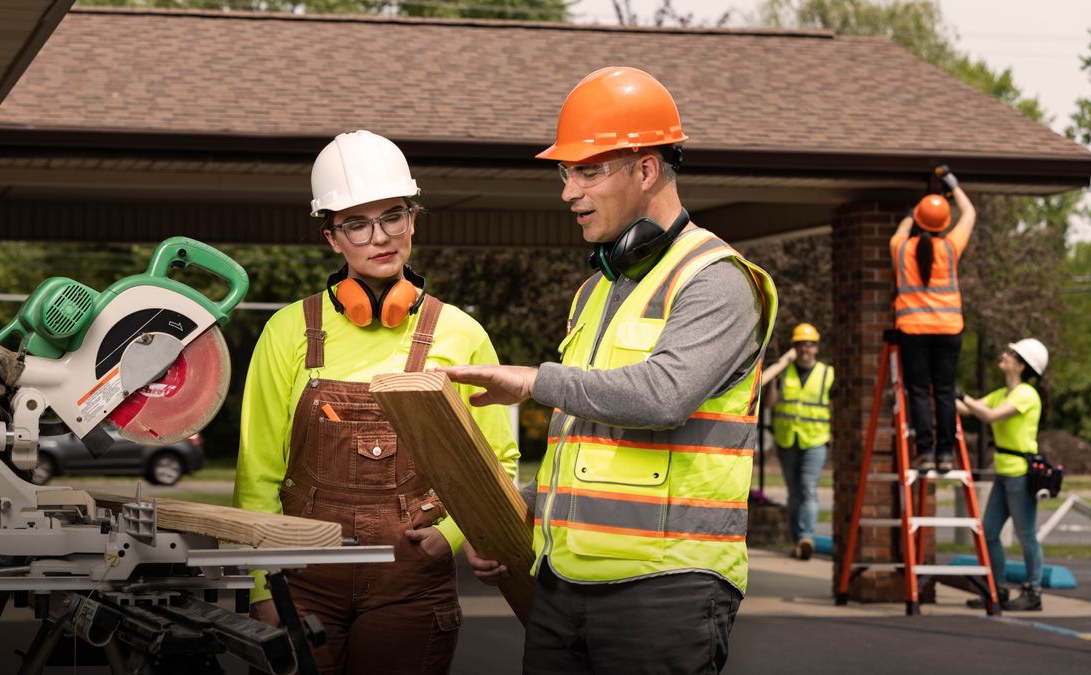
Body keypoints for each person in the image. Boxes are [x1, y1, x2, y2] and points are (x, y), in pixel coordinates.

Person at [440, 66, 777, 674]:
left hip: (666, 590)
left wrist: (532, 379)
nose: (569, 192)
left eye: (588, 171)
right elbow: (588, 444)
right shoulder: (594, 292)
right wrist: (516, 520)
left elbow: (663, 396)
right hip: (563, 587)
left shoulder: (717, 281)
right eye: (566, 173)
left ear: (646, 169)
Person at [233, 130, 519, 674]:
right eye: (356, 224)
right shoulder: (288, 331)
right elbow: (257, 474)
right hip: (301, 581)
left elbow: (496, 463)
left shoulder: (461, 333)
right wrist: (260, 587)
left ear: (412, 218)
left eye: (393, 216)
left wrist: (453, 536)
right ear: (332, 238)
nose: (379, 236)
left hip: (410, 584)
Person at [890, 168, 976, 472]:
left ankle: (924, 453)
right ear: (943, 224)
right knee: (944, 390)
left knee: (918, 391)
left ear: (919, 221)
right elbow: (969, 213)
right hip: (948, 330)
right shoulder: (950, 248)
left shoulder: (900, 249)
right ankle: (945, 455)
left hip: (913, 332)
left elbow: (901, 230)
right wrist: (953, 186)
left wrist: (912, 213)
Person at [958, 338, 1049, 612]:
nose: (1003, 355)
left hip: (1021, 474)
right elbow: (969, 410)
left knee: (1026, 535)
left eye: (1010, 354)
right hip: (1004, 473)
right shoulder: (1001, 393)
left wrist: (961, 396)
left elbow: (990, 416)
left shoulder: (1025, 395)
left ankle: (1033, 591)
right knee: (989, 533)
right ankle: (996, 588)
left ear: (1021, 366)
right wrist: (946, 394)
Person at [761, 323, 833, 560]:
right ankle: (797, 541)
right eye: (800, 344)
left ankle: (806, 537)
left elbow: (834, 406)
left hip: (815, 439)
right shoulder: (784, 371)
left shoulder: (827, 374)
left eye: (809, 344)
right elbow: (769, 403)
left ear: (816, 348)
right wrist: (775, 373)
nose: (804, 349)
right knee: (793, 492)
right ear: (794, 347)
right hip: (787, 438)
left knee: (807, 488)